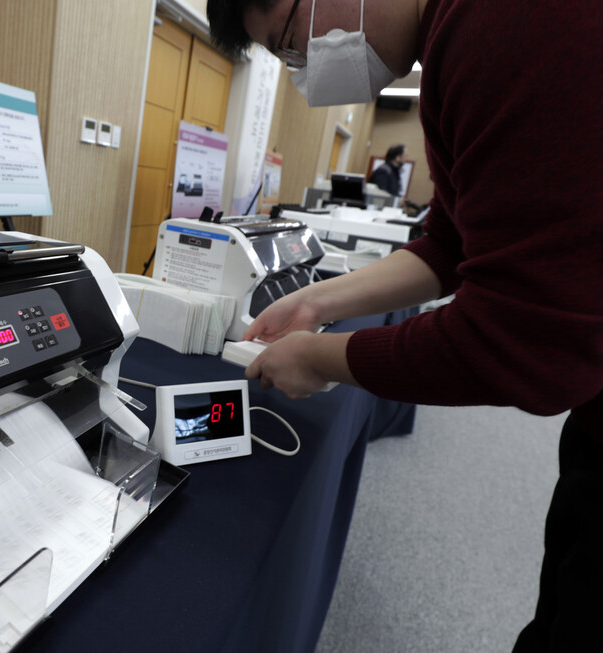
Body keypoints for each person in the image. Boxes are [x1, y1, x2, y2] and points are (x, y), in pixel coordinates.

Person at [206, 0, 603, 650]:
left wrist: (319, 358)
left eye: (288, 41)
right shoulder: (449, 41)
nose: (302, 70)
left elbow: (524, 344)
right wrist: (320, 303)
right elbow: (450, 242)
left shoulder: (512, 26)